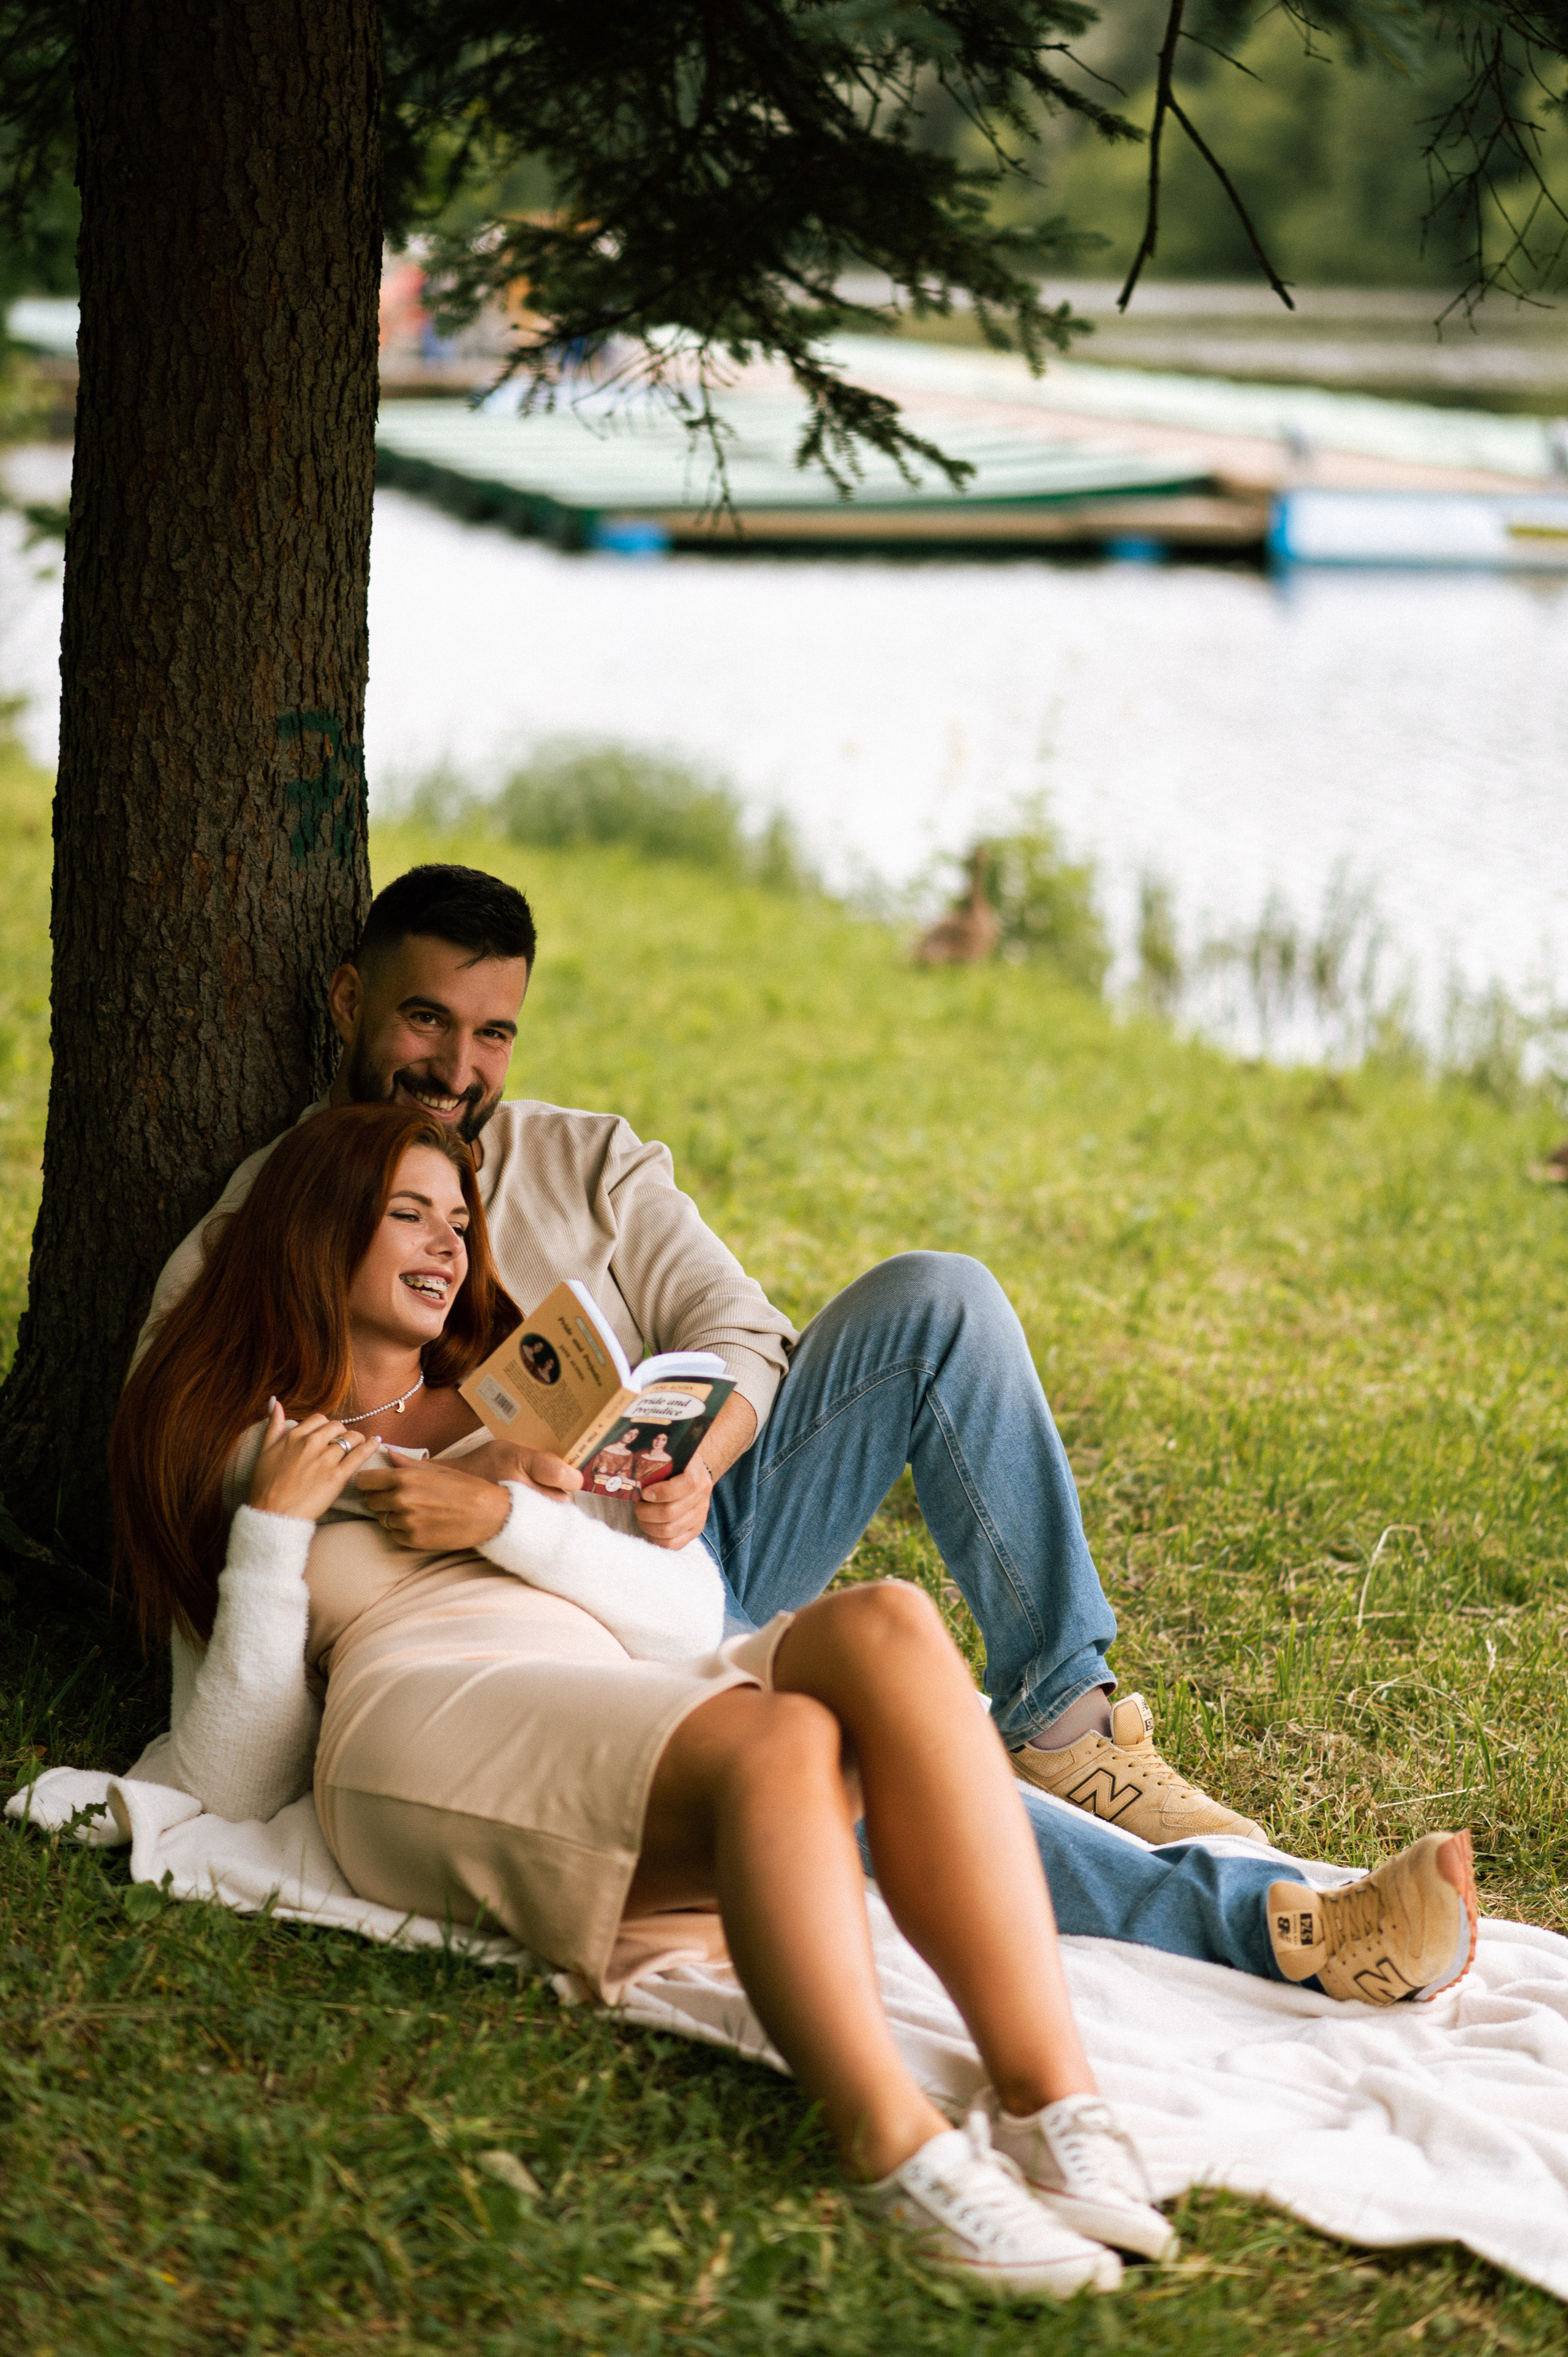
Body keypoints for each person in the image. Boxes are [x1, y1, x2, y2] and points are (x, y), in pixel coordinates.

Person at [135, 863, 1479, 1996]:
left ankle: (1066, 1719)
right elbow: (216, 1532)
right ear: (350, 1002)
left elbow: (748, 1339)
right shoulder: (251, 1245)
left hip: (683, 1543)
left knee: (936, 1300)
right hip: (520, 1627)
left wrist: (697, 1452)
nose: (457, 1067)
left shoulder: (588, 1160)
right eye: (427, 1021)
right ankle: (1261, 1924)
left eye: (493, 1034)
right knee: (845, 1758)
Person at [112, 1102, 1183, 2301]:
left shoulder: (518, 1401)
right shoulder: (253, 1447)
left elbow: (680, 1618)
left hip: (607, 1671)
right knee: (779, 1739)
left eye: (458, 1219)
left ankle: (1052, 2100)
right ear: (315, 1232)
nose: (447, 1244)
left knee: (887, 1622)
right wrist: (273, 1532)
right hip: (423, 1716)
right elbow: (232, 1777)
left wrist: (509, 1516)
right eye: (405, 1213)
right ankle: (902, 2152)